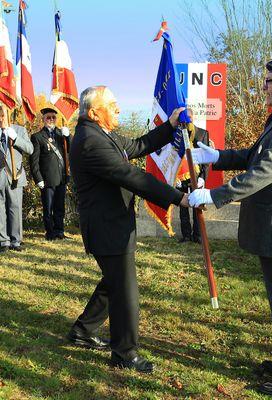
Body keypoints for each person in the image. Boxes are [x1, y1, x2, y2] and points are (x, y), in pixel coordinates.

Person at [188, 58, 272, 395]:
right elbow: (255, 155)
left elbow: (266, 171)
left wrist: (214, 195)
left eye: (269, 81)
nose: (264, 86)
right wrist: (218, 156)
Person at [67, 86, 188, 372]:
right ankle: (124, 352)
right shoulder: (90, 141)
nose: (118, 108)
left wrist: (169, 126)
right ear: (95, 112)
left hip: (114, 224)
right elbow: (131, 175)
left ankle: (83, 330)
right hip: (107, 228)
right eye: (112, 104)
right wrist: (177, 197)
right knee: (125, 290)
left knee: (114, 281)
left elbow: (136, 146)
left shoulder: (101, 134)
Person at [29, 108, 71, 240]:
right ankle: (50, 232)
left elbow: (72, 149)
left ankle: (59, 231)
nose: (51, 120)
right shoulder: (37, 137)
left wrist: (68, 136)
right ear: (43, 120)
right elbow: (34, 161)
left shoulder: (61, 134)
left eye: (53, 117)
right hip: (47, 179)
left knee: (59, 207)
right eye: (48, 117)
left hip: (61, 177)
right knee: (48, 208)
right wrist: (38, 178)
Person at [0, 104, 33, 252]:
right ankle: (3, 241)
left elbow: (30, 149)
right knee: (0, 209)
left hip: (15, 175)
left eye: (3, 115)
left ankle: (15, 241)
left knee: (15, 207)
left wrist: (16, 138)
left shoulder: (19, 130)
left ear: (8, 114)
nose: (1, 119)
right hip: (0, 175)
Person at [176, 108, 209, 243]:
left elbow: (206, 158)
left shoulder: (202, 133)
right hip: (182, 176)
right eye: (185, 117)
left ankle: (198, 236)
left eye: (189, 117)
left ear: (193, 117)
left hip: (197, 176)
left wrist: (202, 177)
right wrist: (175, 177)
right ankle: (186, 236)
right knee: (183, 207)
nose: (187, 120)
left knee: (198, 207)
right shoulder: (176, 135)